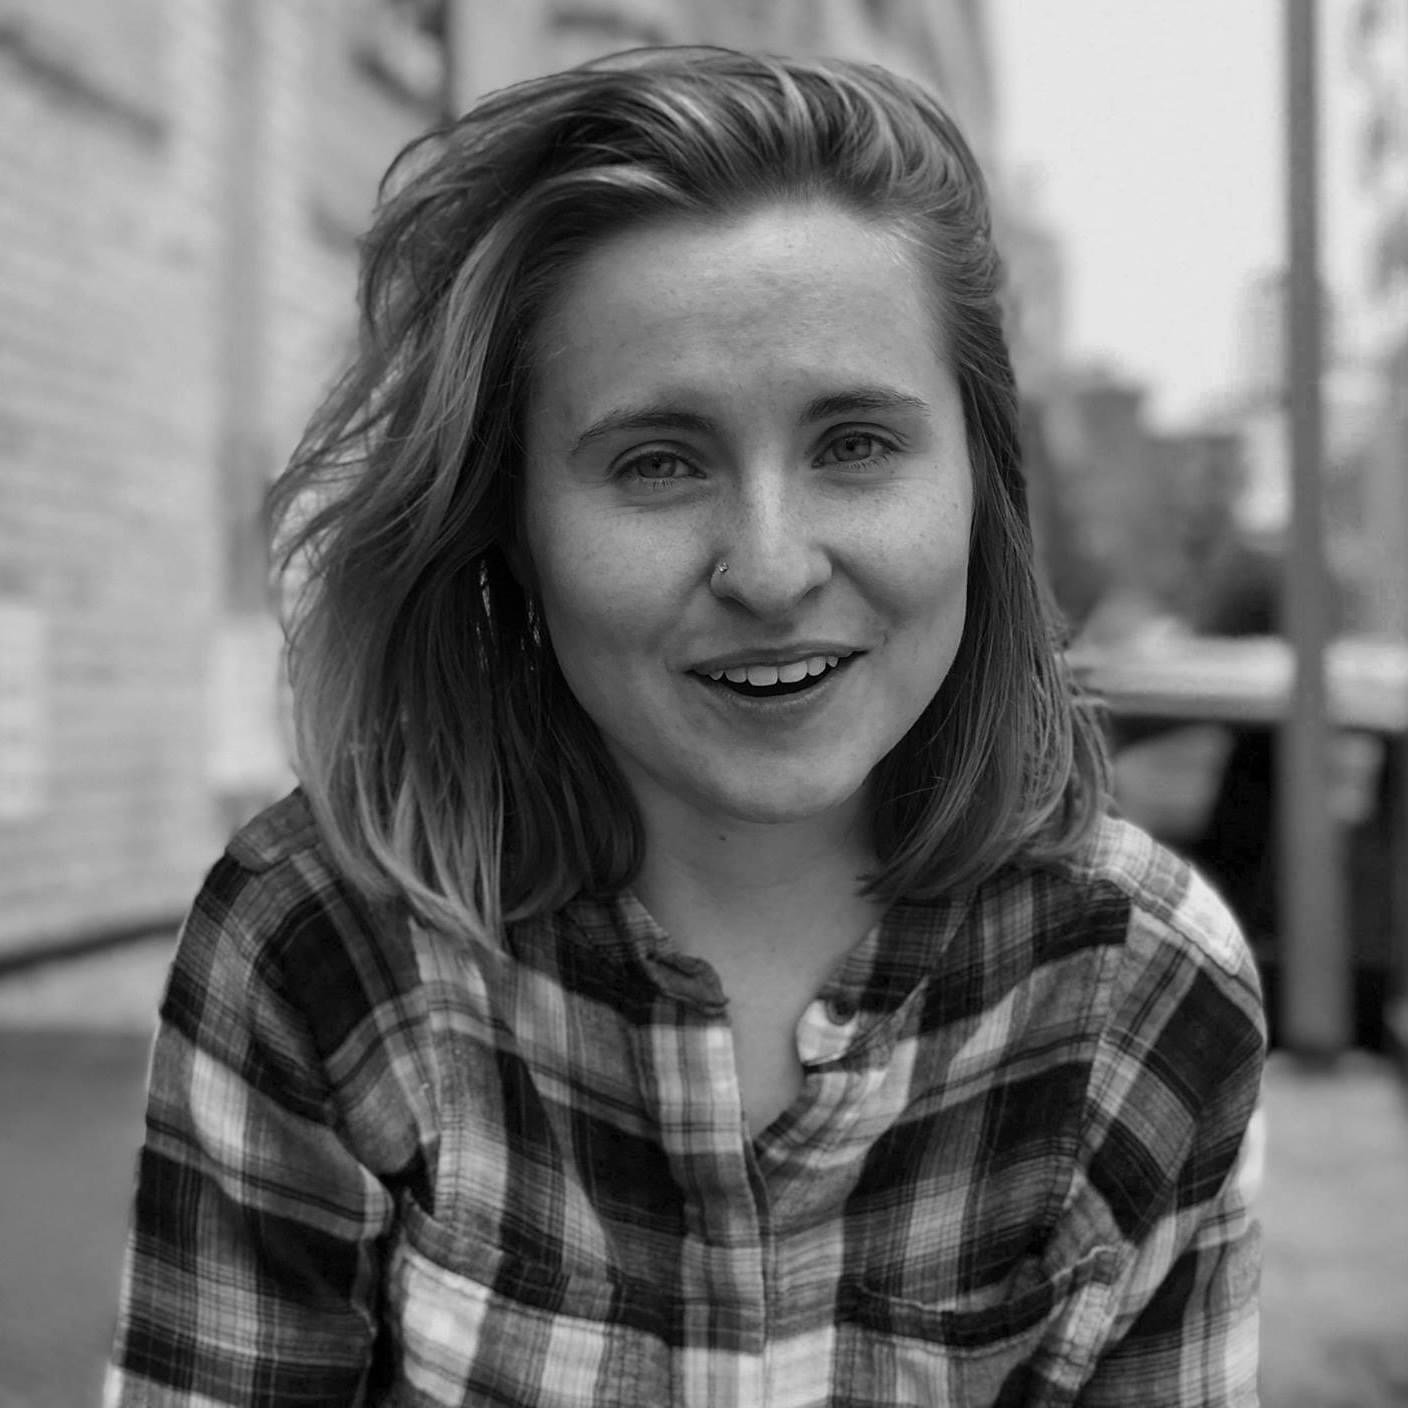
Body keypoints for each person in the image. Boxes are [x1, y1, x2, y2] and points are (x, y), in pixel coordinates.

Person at [104, 47, 1265, 1407]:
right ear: (515, 525)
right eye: (657, 462)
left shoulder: (1145, 987)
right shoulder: (320, 945)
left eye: (855, 445)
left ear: (978, 488)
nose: (770, 570)